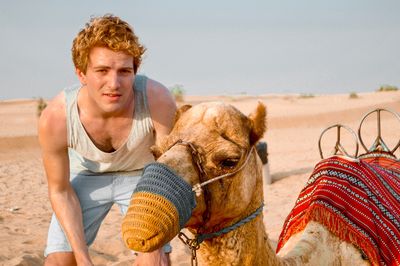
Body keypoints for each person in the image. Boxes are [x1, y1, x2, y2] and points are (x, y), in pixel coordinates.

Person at [38, 14, 176, 266]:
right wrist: (83, 259)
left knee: (156, 261)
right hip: (87, 175)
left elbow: (169, 172)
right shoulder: (56, 118)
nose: (114, 84)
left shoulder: (157, 99)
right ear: (81, 74)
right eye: (102, 70)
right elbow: (59, 190)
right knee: (58, 262)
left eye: (124, 71)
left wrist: (156, 250)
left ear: (135, 71)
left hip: (145, 176)